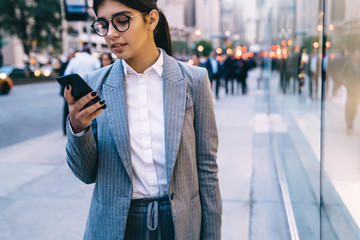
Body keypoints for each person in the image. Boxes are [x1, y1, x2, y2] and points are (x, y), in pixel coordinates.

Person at [63, 0, 222, 239]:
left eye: (122, 21)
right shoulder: (94, 85)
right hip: (117, 224)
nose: (111, 34)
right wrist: (78, 129)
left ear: (152, 19)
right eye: (103, 24)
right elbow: (86, 174)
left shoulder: (194, 81)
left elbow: (207, 170)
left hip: (180, 222)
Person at [59, 50, 76, 135]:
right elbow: (62, 77)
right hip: (66, 90)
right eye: (72, 55)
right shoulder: (65, 64)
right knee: (66, 110)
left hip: (73, 90)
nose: (73, 56)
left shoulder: (74, 63)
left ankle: (71, 129)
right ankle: (65, 129)